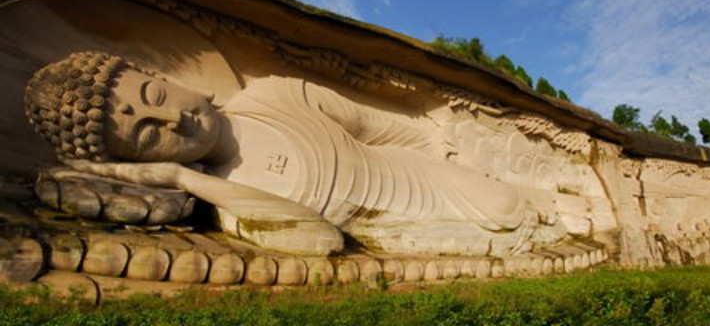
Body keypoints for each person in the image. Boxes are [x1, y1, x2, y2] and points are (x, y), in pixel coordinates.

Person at [25, 51, 544, 256]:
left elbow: (379, 127)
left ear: (168, 79)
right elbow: (321, 240)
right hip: (400, 230)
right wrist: (186, 180)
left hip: (421, 175)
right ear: (141, 164)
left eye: (156, 97)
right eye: (145, 135)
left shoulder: (271, 95)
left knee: (507, 204)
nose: (171, 119)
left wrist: (447, 151)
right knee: (506, 230)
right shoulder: (233, 207)